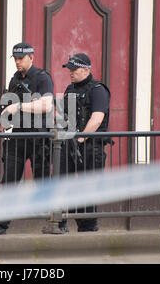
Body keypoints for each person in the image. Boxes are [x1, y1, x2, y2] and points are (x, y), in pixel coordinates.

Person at [0, 42, 54, 236]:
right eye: (15, 58)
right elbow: (8, 107)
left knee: (44, 183)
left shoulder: (43, 77)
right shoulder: (15, 79)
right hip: (18, 137)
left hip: (39, 137)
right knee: (8, 183)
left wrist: (18, 106)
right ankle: (0, 226)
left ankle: (58, 223)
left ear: (31, 57)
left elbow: (46, 105)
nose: (18, 62)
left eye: (21, 58)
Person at [58, 53, 111, 232]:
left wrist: (81, 138)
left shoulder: (98, 90)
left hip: (90, 148)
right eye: (69, 69)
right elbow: (63, 116)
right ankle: (61, 223)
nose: (71, 72)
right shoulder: (69, 89)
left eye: (74, 69)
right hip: (70, 146)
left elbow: (96, 119)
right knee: (63, 185)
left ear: (87, 69)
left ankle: (89, 228)